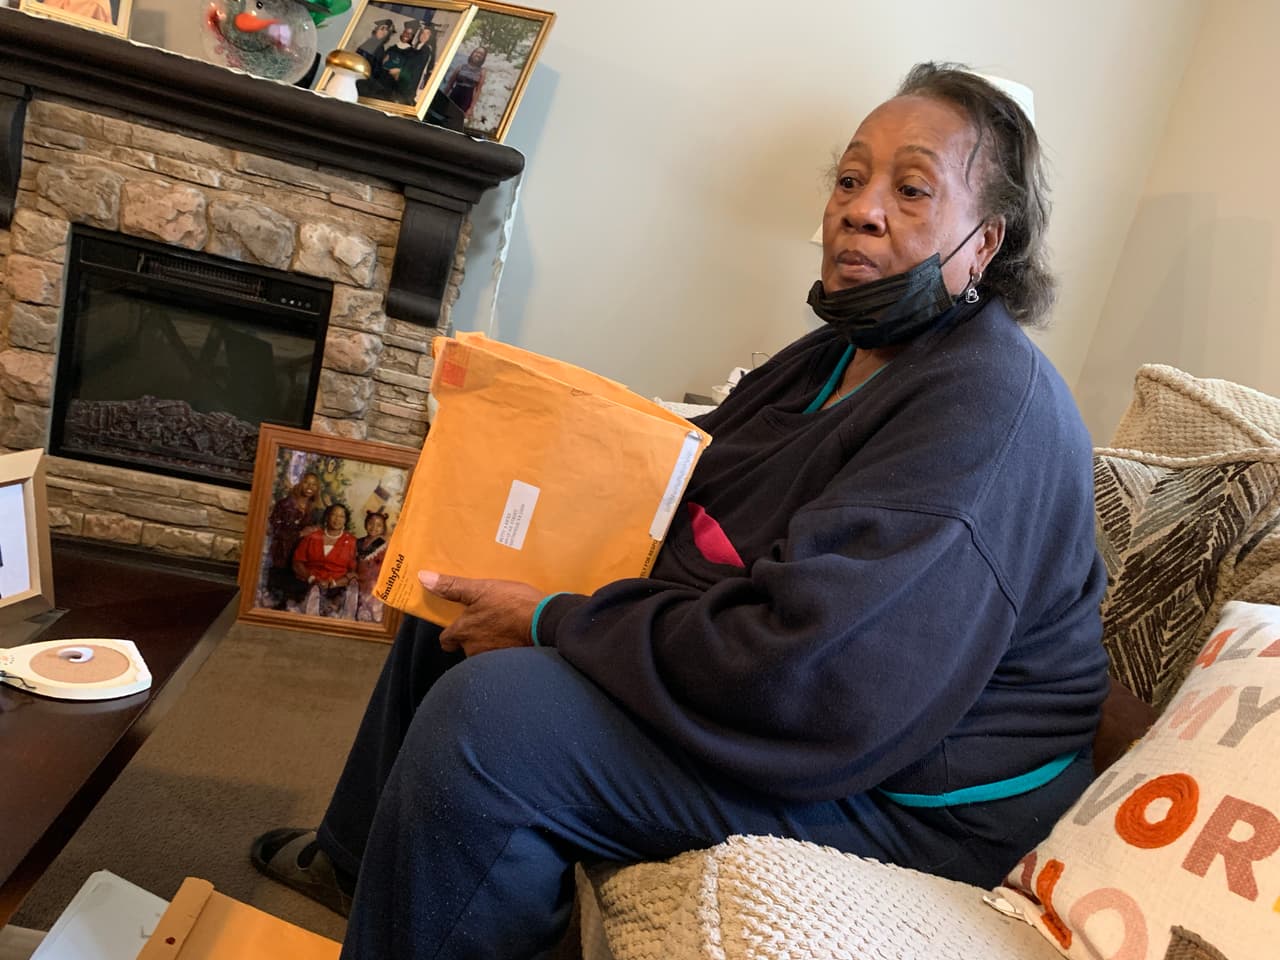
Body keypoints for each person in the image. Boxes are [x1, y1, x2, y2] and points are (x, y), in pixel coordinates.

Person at [250, 62, 1110, 959]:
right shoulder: (837, 351)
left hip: (904, 789)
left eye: (912, 189)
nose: (861, 208)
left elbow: (816, 679)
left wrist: (556, 621)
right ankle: (361, 869)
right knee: (460, 589)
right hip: (810, 698)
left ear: (985, 242)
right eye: (851, 179)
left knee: (490, 727)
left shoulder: (986, 410)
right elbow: (688, 504)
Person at [263, 471, 323, 608]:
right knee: (276, 598)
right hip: (282, 556)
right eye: (307, 482)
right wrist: (300, 533)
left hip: (300, 559)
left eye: (314, 484)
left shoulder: (314, 510)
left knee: (294, 598)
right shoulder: (284, 504)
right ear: (299, 483)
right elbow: (274, 530)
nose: (310, 486)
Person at [292, 503, 357, 619]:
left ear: (345, 520)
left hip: (337, 587)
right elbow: (297, 562)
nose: (337, 519)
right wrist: (311, 578)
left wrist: (335, 583)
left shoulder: (352, 542)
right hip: (308, 583)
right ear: (327, 517)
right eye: (334, 515)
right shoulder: (312, 537)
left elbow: (354, 571)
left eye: (341, 516)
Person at [354, 509, 390, 622]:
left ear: (383, 528)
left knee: (373, 608)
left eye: (379, 525)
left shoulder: (384, 545)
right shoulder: (358, 542)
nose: (374, 527)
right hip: (358, 578)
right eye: (371, 524)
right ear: (365, 524)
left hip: (375, 581)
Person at [441, 46, 486, 118]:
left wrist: (471, 108)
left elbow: (478, 91)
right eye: (477, 52)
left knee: (456, 120)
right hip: (454, 96)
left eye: (481, 54)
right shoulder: (461, 67)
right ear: (473, 53)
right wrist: (442, 99)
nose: (478, 55)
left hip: (466, 100)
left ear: (483, 58)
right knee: (445, 117)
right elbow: (450, 84)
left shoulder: (482, 72)